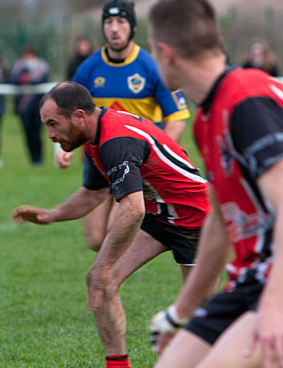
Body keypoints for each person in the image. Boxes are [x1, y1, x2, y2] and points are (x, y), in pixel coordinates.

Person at [12, 82, 210, 368]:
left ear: (79, 116)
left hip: (197, 221)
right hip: (160, 217)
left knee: (202, 317)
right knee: (100, 282)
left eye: (53, 124)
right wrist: (51, 214)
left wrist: (105, 265)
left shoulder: (115, 141)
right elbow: (93, 193)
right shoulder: (96, 136)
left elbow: (132, 210)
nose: (51, 135)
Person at [147, 0, 283, 368]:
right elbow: (221, 223)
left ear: (166, 53)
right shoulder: (209, 116)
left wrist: (273, 308)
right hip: (254, 278)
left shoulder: (246, 101)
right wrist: (179, 312)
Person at [59, 0, 191, 252]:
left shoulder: (150, 66)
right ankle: (111, 280)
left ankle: (108, 285)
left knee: (113, 233)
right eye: (108, 22)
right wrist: (63, 149)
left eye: (121, 21)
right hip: (99, 163)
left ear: (133, 28)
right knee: (96, 239)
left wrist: (156, 154)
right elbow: (68, 113)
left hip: (134, 164)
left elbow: (176, 118)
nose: (114, 28)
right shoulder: (89, 68)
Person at [10, 45, 50, 165]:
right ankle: (32, 158)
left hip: (38, 105)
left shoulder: (42, 67)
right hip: (23, 107)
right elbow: (13, 80)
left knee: (37, 133)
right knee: (27, 132)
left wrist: (27, 80)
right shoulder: (18, 67)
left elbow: (41, 81)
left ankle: (39, 158)